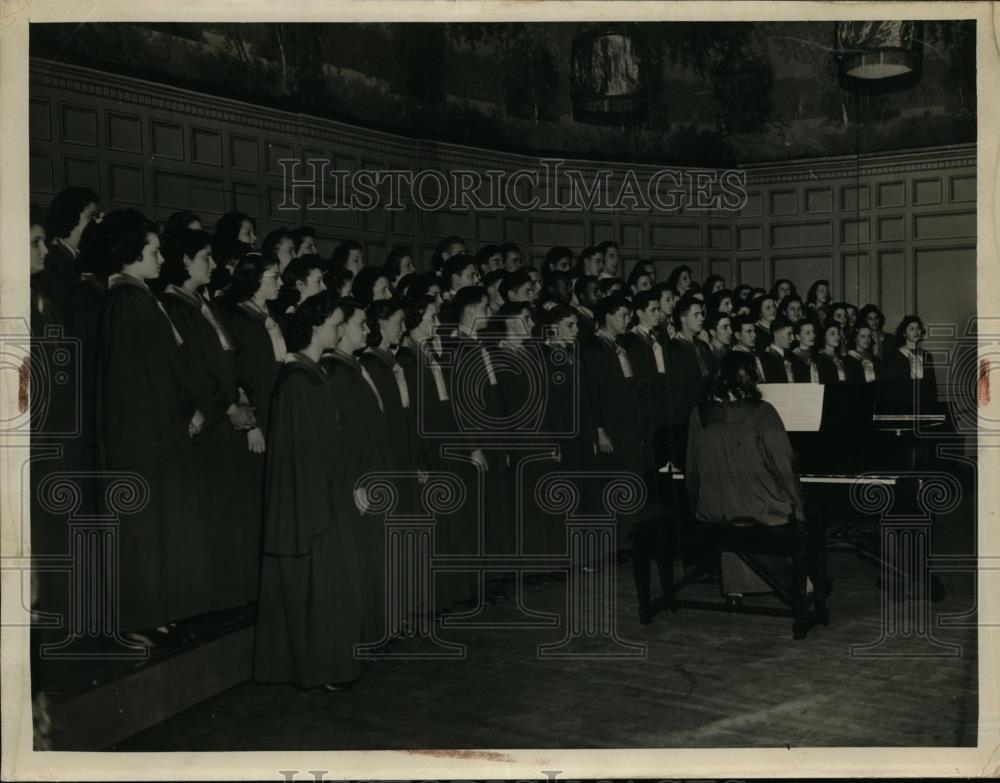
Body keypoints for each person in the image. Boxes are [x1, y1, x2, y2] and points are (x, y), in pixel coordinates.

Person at [97, 210, 204, 646]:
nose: (161, 259)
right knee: (139, 535)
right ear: (131, 253)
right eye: (154, 251)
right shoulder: (127, 301)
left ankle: (152, 612)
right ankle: (134, 619)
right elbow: (144, 379)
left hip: (156, 434)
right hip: (142, 439)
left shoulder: (142, 297)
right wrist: (184, 417)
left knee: (154, 533)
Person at [253, 294, 366, 691]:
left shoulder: (314, 373)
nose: (340, 330)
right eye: (337, 324)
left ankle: (333, 665)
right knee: (320, 584)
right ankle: (323, 668)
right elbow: (303, 456)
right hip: (314, 503)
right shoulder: (297, 380)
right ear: (316, 326)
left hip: (329, 493)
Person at [684, 351, 827, 634]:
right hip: (756, 507)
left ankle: (736, 587)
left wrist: (697, 509)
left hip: (713, 507)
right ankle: (803, 584)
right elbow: (783, 464)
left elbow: (692, 469)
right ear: (750, 377)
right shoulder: (763, 412)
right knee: (790, 510)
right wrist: (798, 504)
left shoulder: (699, 412)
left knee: (735, 514)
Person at [161, 228, 256, 610]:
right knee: (214, 511)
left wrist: (241, 396)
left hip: (227, 415)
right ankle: (219, 595)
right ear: (184, 260)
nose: (213, 264)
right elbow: (193, 370)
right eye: (205, 257)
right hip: (212, 421)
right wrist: (227, 406)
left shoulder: (200, 302)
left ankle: (237, 591)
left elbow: (226, 355)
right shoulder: (174, 306)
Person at [218, 253, 287, 597]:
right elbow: (234, 375)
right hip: (255, 424)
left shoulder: (269, 317)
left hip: (277, 418)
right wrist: (251, 424)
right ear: (255, 279)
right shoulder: (237, 316)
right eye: (275, 277)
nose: (281, 282)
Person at [320, 299, 388, 648]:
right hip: (358, 479)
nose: (367, 329)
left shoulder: (353, 366)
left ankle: (373, 633)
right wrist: (360, 482)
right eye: (361, 323)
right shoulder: (334, 371)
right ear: (341, 328)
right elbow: (347, 435)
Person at [666, 293, 713, 468]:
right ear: (682, 318)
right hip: (685, 421)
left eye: (702, 314)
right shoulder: (673, 349)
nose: (701, 318)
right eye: (696, 315)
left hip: (705, 417)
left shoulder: (702, 346)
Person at [881, 315, 939, 410]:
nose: (916, 332)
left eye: (918, 328)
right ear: (904, 333)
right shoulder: (894, 356)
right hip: (902, 405)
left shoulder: (927, 355)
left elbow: (931, 386)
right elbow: (891, 388)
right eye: (912, 329)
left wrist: (933, 407)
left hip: (923, 405)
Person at [759, 317, 796, 383]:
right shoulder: (764, 359)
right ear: (776, 334)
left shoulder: (791, 357)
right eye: (789, 334)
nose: (793, 338)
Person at [731, 313, 766, 382]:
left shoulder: (754, 353)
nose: (754, 335)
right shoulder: (734, 358)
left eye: (754, 331)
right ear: (737, 335)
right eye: (749, 331)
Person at [572, 275, 601, 342]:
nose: (600, 294)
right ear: (582, 296)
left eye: (600, 290)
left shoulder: (597, 317)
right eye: (595, 291)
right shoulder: (576, 319)